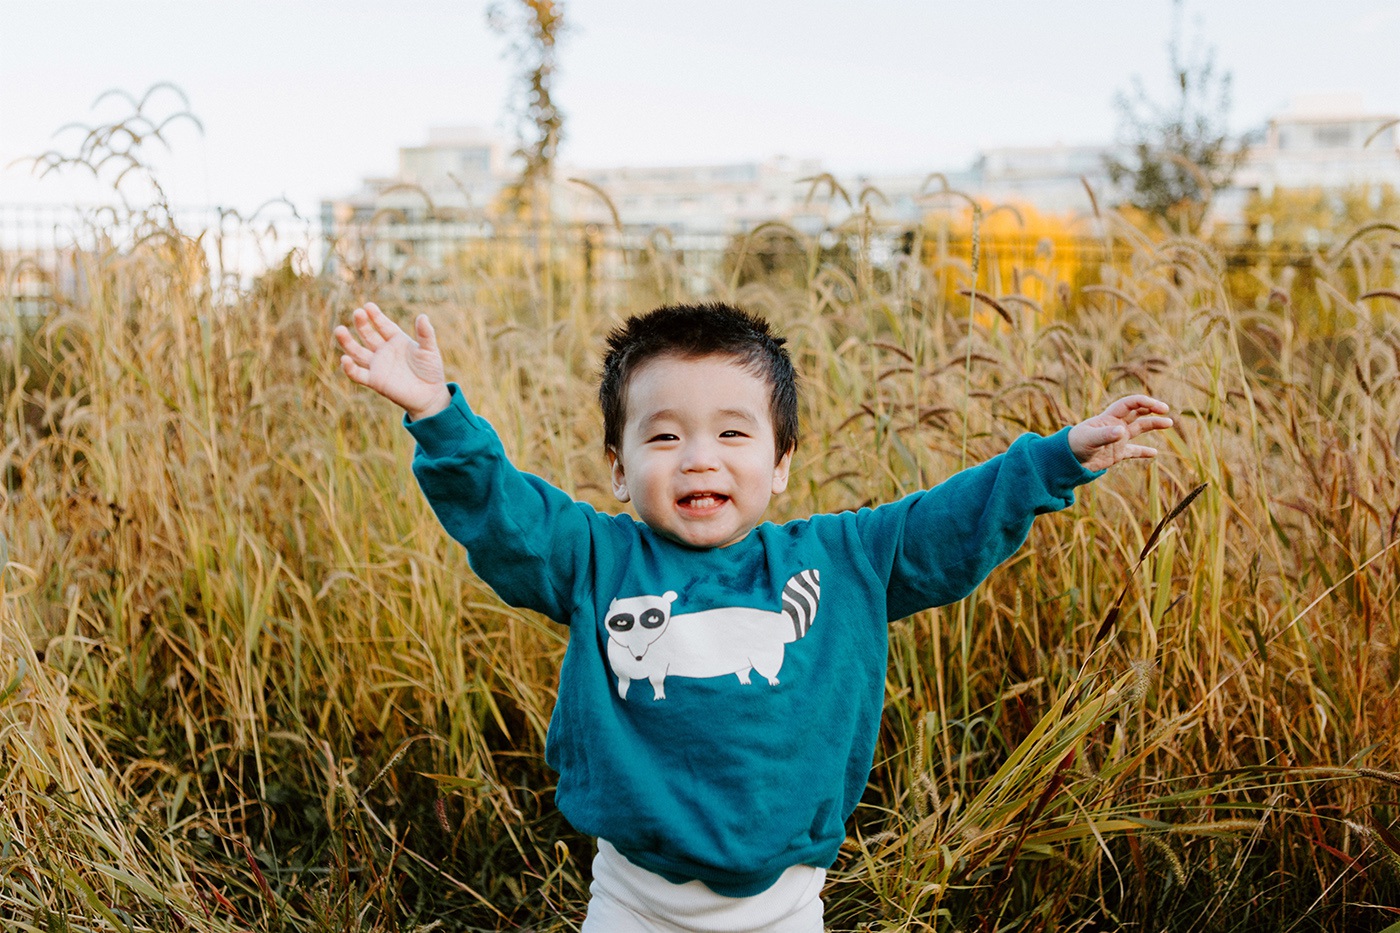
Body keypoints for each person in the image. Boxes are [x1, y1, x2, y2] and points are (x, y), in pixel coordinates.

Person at [333, 300, 1172, 932]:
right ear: (618, 469)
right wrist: (438, 414)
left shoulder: (841, 557)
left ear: (780, 464)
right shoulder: (594, 557)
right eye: (663, 438)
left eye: (733, 433)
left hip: (783, 907)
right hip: (632, 900)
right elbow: (503, 511)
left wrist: (1052, 460)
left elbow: (945, 524)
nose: (700, 455)